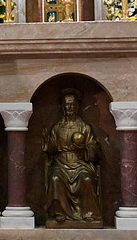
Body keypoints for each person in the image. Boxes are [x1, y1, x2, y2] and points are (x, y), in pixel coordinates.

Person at [42, 88, 100, 225]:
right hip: (61, 163)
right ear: (63, 106)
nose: (69, 107)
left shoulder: (84, 127)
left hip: (80, 163)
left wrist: (84, 148)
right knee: (55, 178)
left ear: (77, 107)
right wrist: (46, 139)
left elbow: (94, 148)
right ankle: (59, 212)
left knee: (86, 178)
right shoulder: (57, 127)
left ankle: (88, 212)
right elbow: (51, 150)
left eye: (72, 104)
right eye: (67, 104)